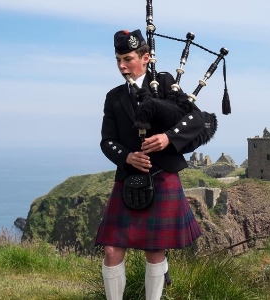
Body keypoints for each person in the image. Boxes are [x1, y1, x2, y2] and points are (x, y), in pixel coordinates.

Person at [95, 29, 203, 300]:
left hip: (162, 174)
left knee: (154, 250)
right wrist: (127, 157)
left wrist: (168, 138)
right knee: (111, 250)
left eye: (127, 59)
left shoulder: (166, 85)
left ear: (146, 58)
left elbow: (197, 120)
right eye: (118, 59)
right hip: (129, 177)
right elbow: (107, 141)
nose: (122, 66)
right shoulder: (114, 97)